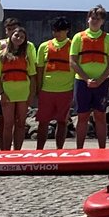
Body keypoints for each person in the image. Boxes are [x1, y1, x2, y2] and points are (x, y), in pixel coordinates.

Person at [70, 4, 109, 149]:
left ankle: (102, 148)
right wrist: (86, 79)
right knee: (82, 116)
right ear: (88, 19)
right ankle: (79, 149)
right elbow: (73, 61)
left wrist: (100, 80)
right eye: (93, 18)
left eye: (98, 19)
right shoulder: (79, 37)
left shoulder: (108, 38)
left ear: (103, 21)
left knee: (100, 116)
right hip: (82, 83)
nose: (95, 21)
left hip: (101, 83)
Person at [0, 25, 37, 150]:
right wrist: (2, 93)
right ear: (11, 36)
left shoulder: (27, 55)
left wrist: (31, 95)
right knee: (8, 123)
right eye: (16, 35)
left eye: (22, 37)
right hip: (7, 93)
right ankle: (6, 151)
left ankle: (17, 151)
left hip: (23, 93)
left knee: (21, 123)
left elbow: (33, 76)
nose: (19, 38)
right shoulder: (1, 54)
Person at [36, 17, 74, 149]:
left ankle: (59, 150)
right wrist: (38, 89)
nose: (56, 33)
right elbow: (39, 69)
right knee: (43, 122)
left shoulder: (73, 46)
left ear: (67, 30)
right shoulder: (43, 47)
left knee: (62, 122)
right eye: (54, 31)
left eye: (60, 31)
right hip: (47, 91)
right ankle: (39, 149)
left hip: (66, 90)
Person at [0, 17, 21, 150]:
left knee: (17, 120)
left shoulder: (24, 45)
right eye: (9, 29)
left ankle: (17, 148)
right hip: (3, 86)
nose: (11, 31)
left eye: (14, 28)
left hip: (19, 87)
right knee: (2, 119)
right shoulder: (0, 45)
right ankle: (3, 148)